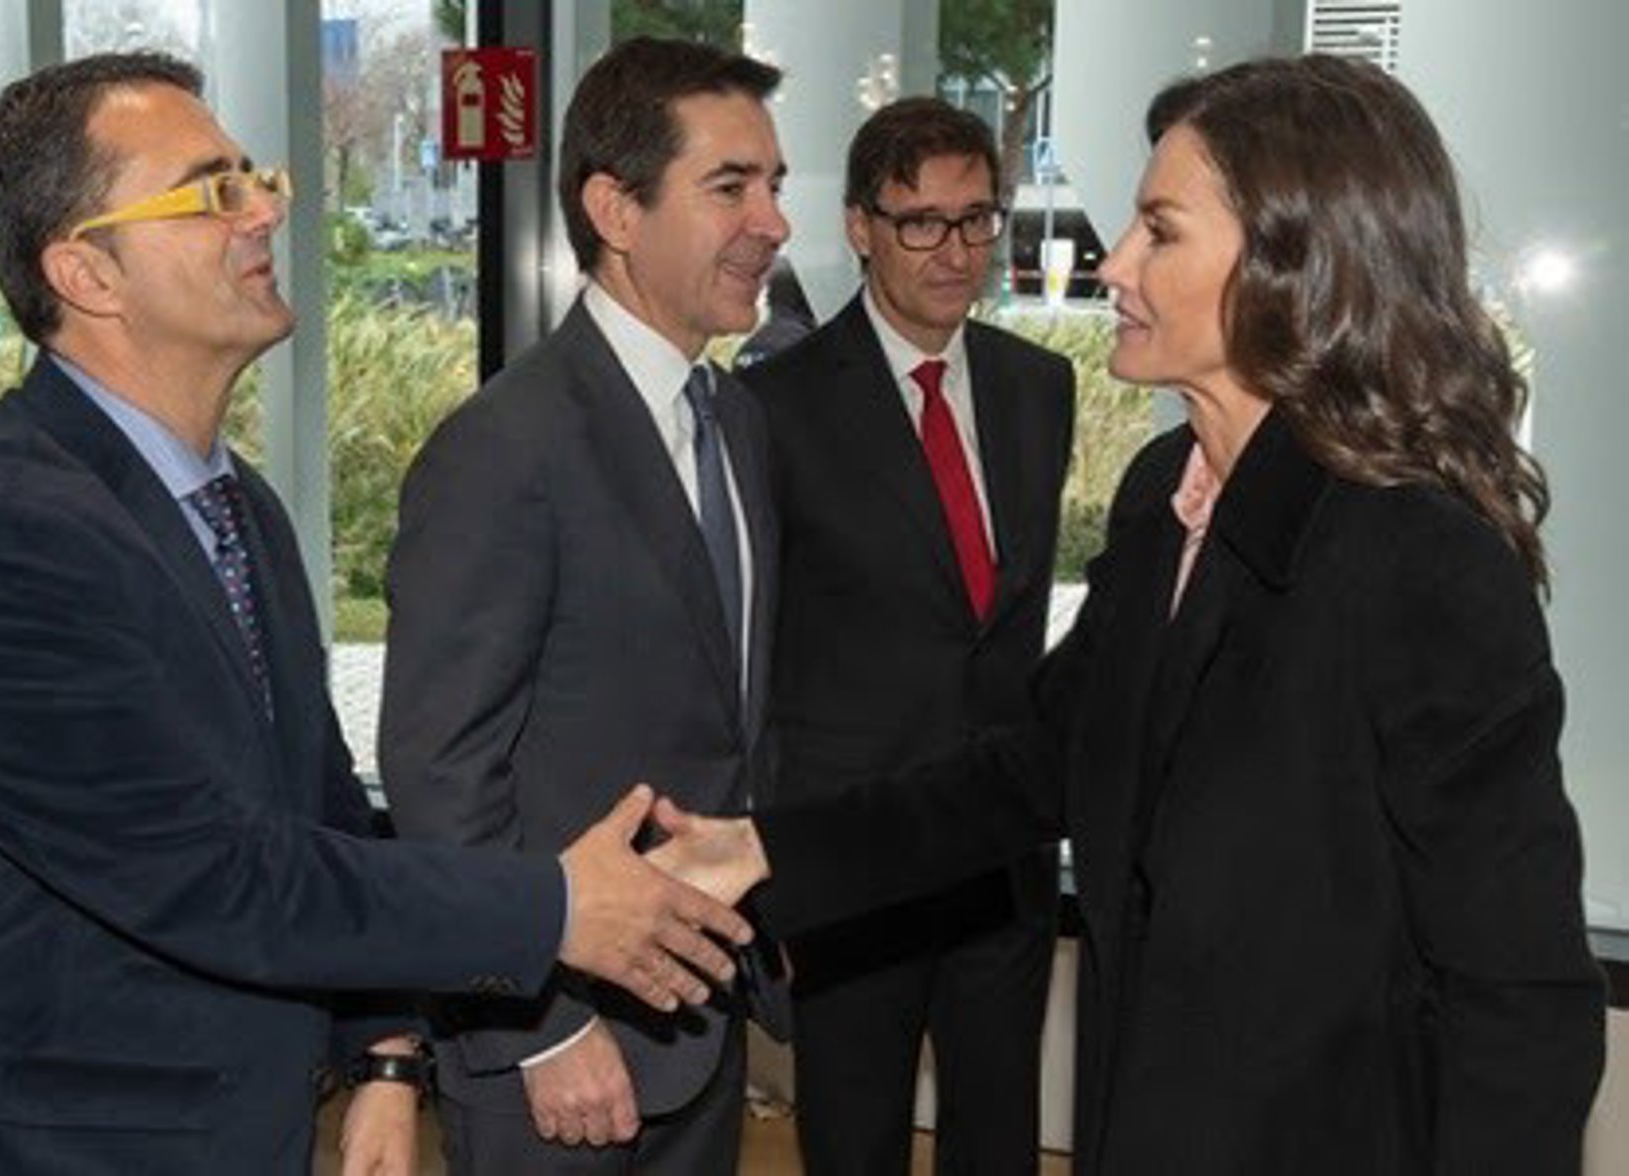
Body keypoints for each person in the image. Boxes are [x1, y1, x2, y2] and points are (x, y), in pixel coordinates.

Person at [653, 54, 1607, 1174]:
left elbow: (1519, 999)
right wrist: (765, 847)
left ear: (1289, 265)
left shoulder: (1420, 558)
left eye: (1160, 230)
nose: (1112, 263)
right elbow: (1032, 766)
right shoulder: (1166, 500)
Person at [0, 51, 754, 1176]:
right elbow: (216, 875)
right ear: (87, 272)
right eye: (212, 191)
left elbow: (314, 812)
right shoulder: (0, 543)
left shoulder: (231, 505)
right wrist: (553, 907)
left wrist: (387, 1055)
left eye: (255, 178)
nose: (265, 209)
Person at [380, 35, 790, 1175]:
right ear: (616, 209)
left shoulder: (737, 422)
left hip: (701, 1018)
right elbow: (438, 770)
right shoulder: (504, 448)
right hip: (560, 1049)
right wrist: (535, 1029)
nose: (773, 222)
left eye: (773, 185)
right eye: (730, 187)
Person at [737, 96, 1074, 1176]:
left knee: (999, 1144)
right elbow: (753, 651)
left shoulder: (1040, 388)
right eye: (921, 221)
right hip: (853, 865)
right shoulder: (771, 407)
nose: (956, 250)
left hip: (1001, 854)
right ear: (860, 226)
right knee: (855, 1143)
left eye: (976, 219)